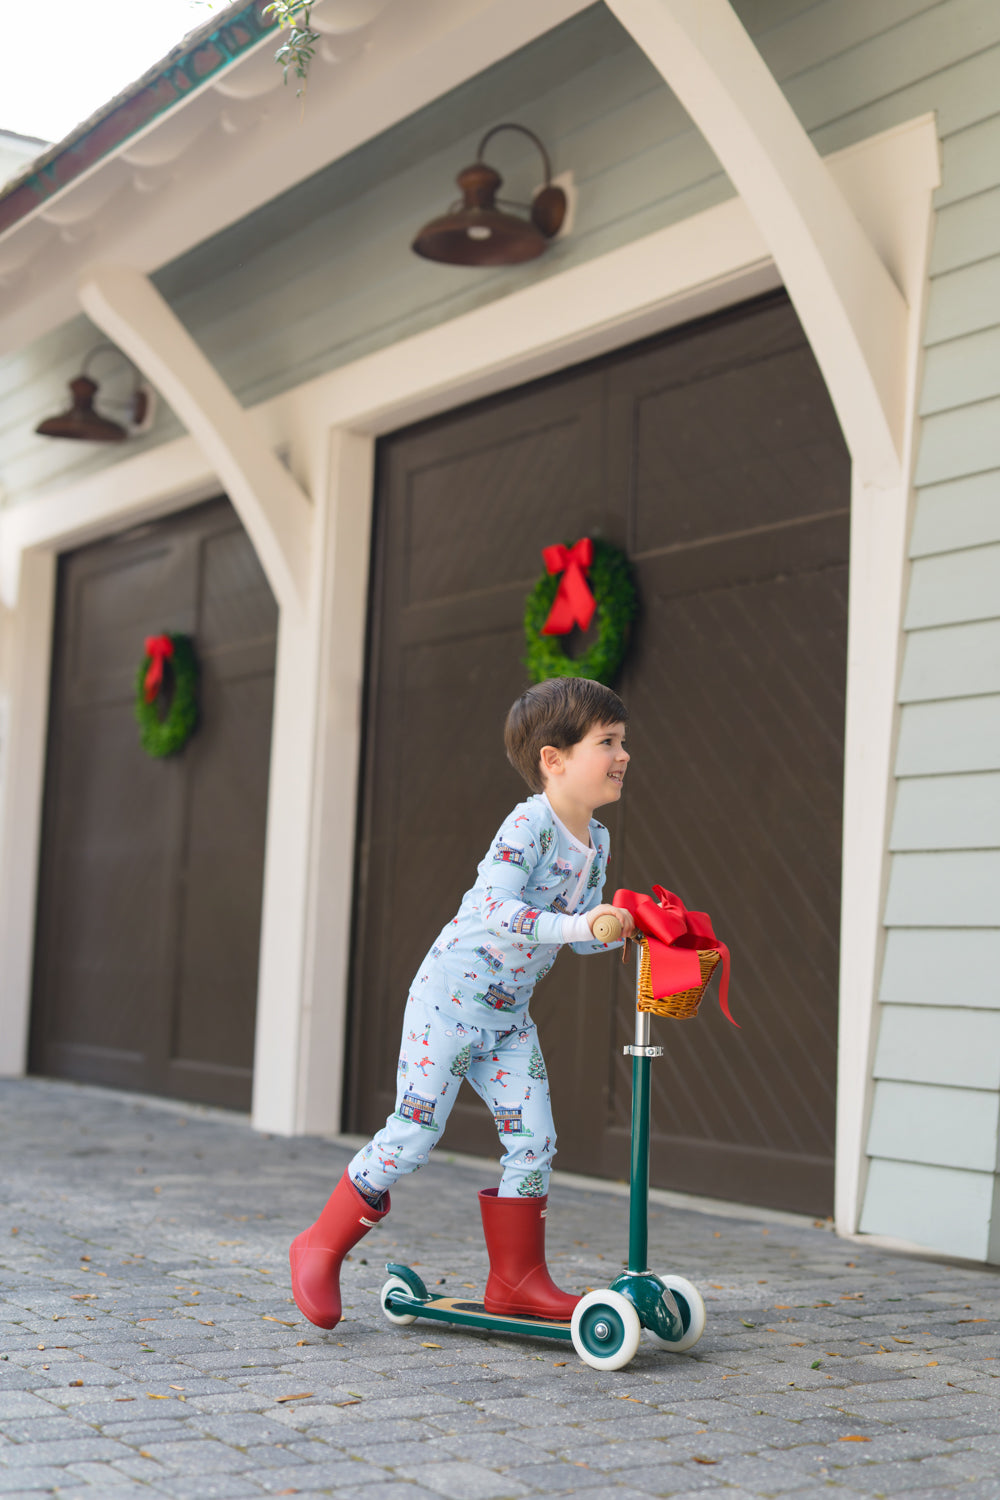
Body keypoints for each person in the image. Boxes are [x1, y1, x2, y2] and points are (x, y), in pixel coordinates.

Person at [289, 676, 635, 1330]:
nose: (623, 756)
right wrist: (577, 927)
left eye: (623, 742)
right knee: (415, 1134)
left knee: (535, 1140)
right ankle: (319, 1245)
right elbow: (495, 910)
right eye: (607, 742)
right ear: (553, 760)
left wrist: (616, 925)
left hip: (507, 1023)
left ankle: (517, 1280)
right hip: (447, 1008)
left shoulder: (599, 844)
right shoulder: (530, 824)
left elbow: (579, 934)